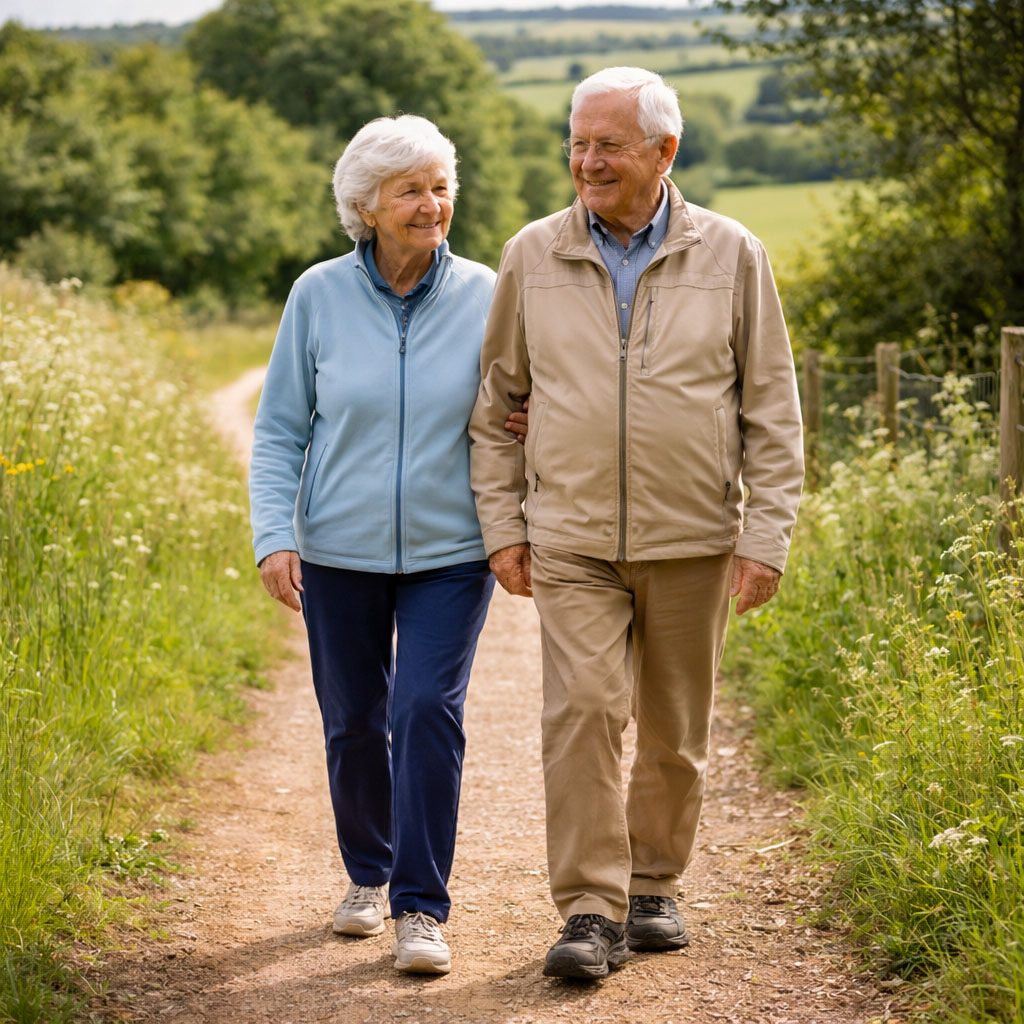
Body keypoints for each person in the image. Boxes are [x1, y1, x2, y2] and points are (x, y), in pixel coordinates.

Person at [469, 67, 805, 981]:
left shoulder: (733, 254)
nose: (587, 161)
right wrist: (505, 522)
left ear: (665, 151)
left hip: (695, 536)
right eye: (577, 142)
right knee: (582, 711)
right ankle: (589, 908)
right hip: (571, 536)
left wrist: (764, 535)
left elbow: (773, 409)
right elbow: (495, 403)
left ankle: (655, 882)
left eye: (608, 145)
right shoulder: (531, 256)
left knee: (673, 730)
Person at [249, 115, 499, 976]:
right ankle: (368, 871)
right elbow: (281, 428)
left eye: (440, 187)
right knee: (354, 721)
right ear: (367, 205)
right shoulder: (316, 295)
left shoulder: (488, 293)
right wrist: (275, 533)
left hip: (453, 548)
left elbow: (520, 405)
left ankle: (421, 908)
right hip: (337, 549)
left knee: (425, 709)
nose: (433, 205)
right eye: (411, 191)